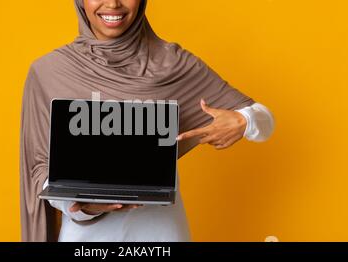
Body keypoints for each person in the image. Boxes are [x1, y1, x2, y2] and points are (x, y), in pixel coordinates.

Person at [20, 0, 275, 242]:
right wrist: (82, 205)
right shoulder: (49, 72)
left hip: (160, 237)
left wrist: (244, 121)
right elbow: (38, 168)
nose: (113, 4)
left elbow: (265, 120)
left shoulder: (172, 63)